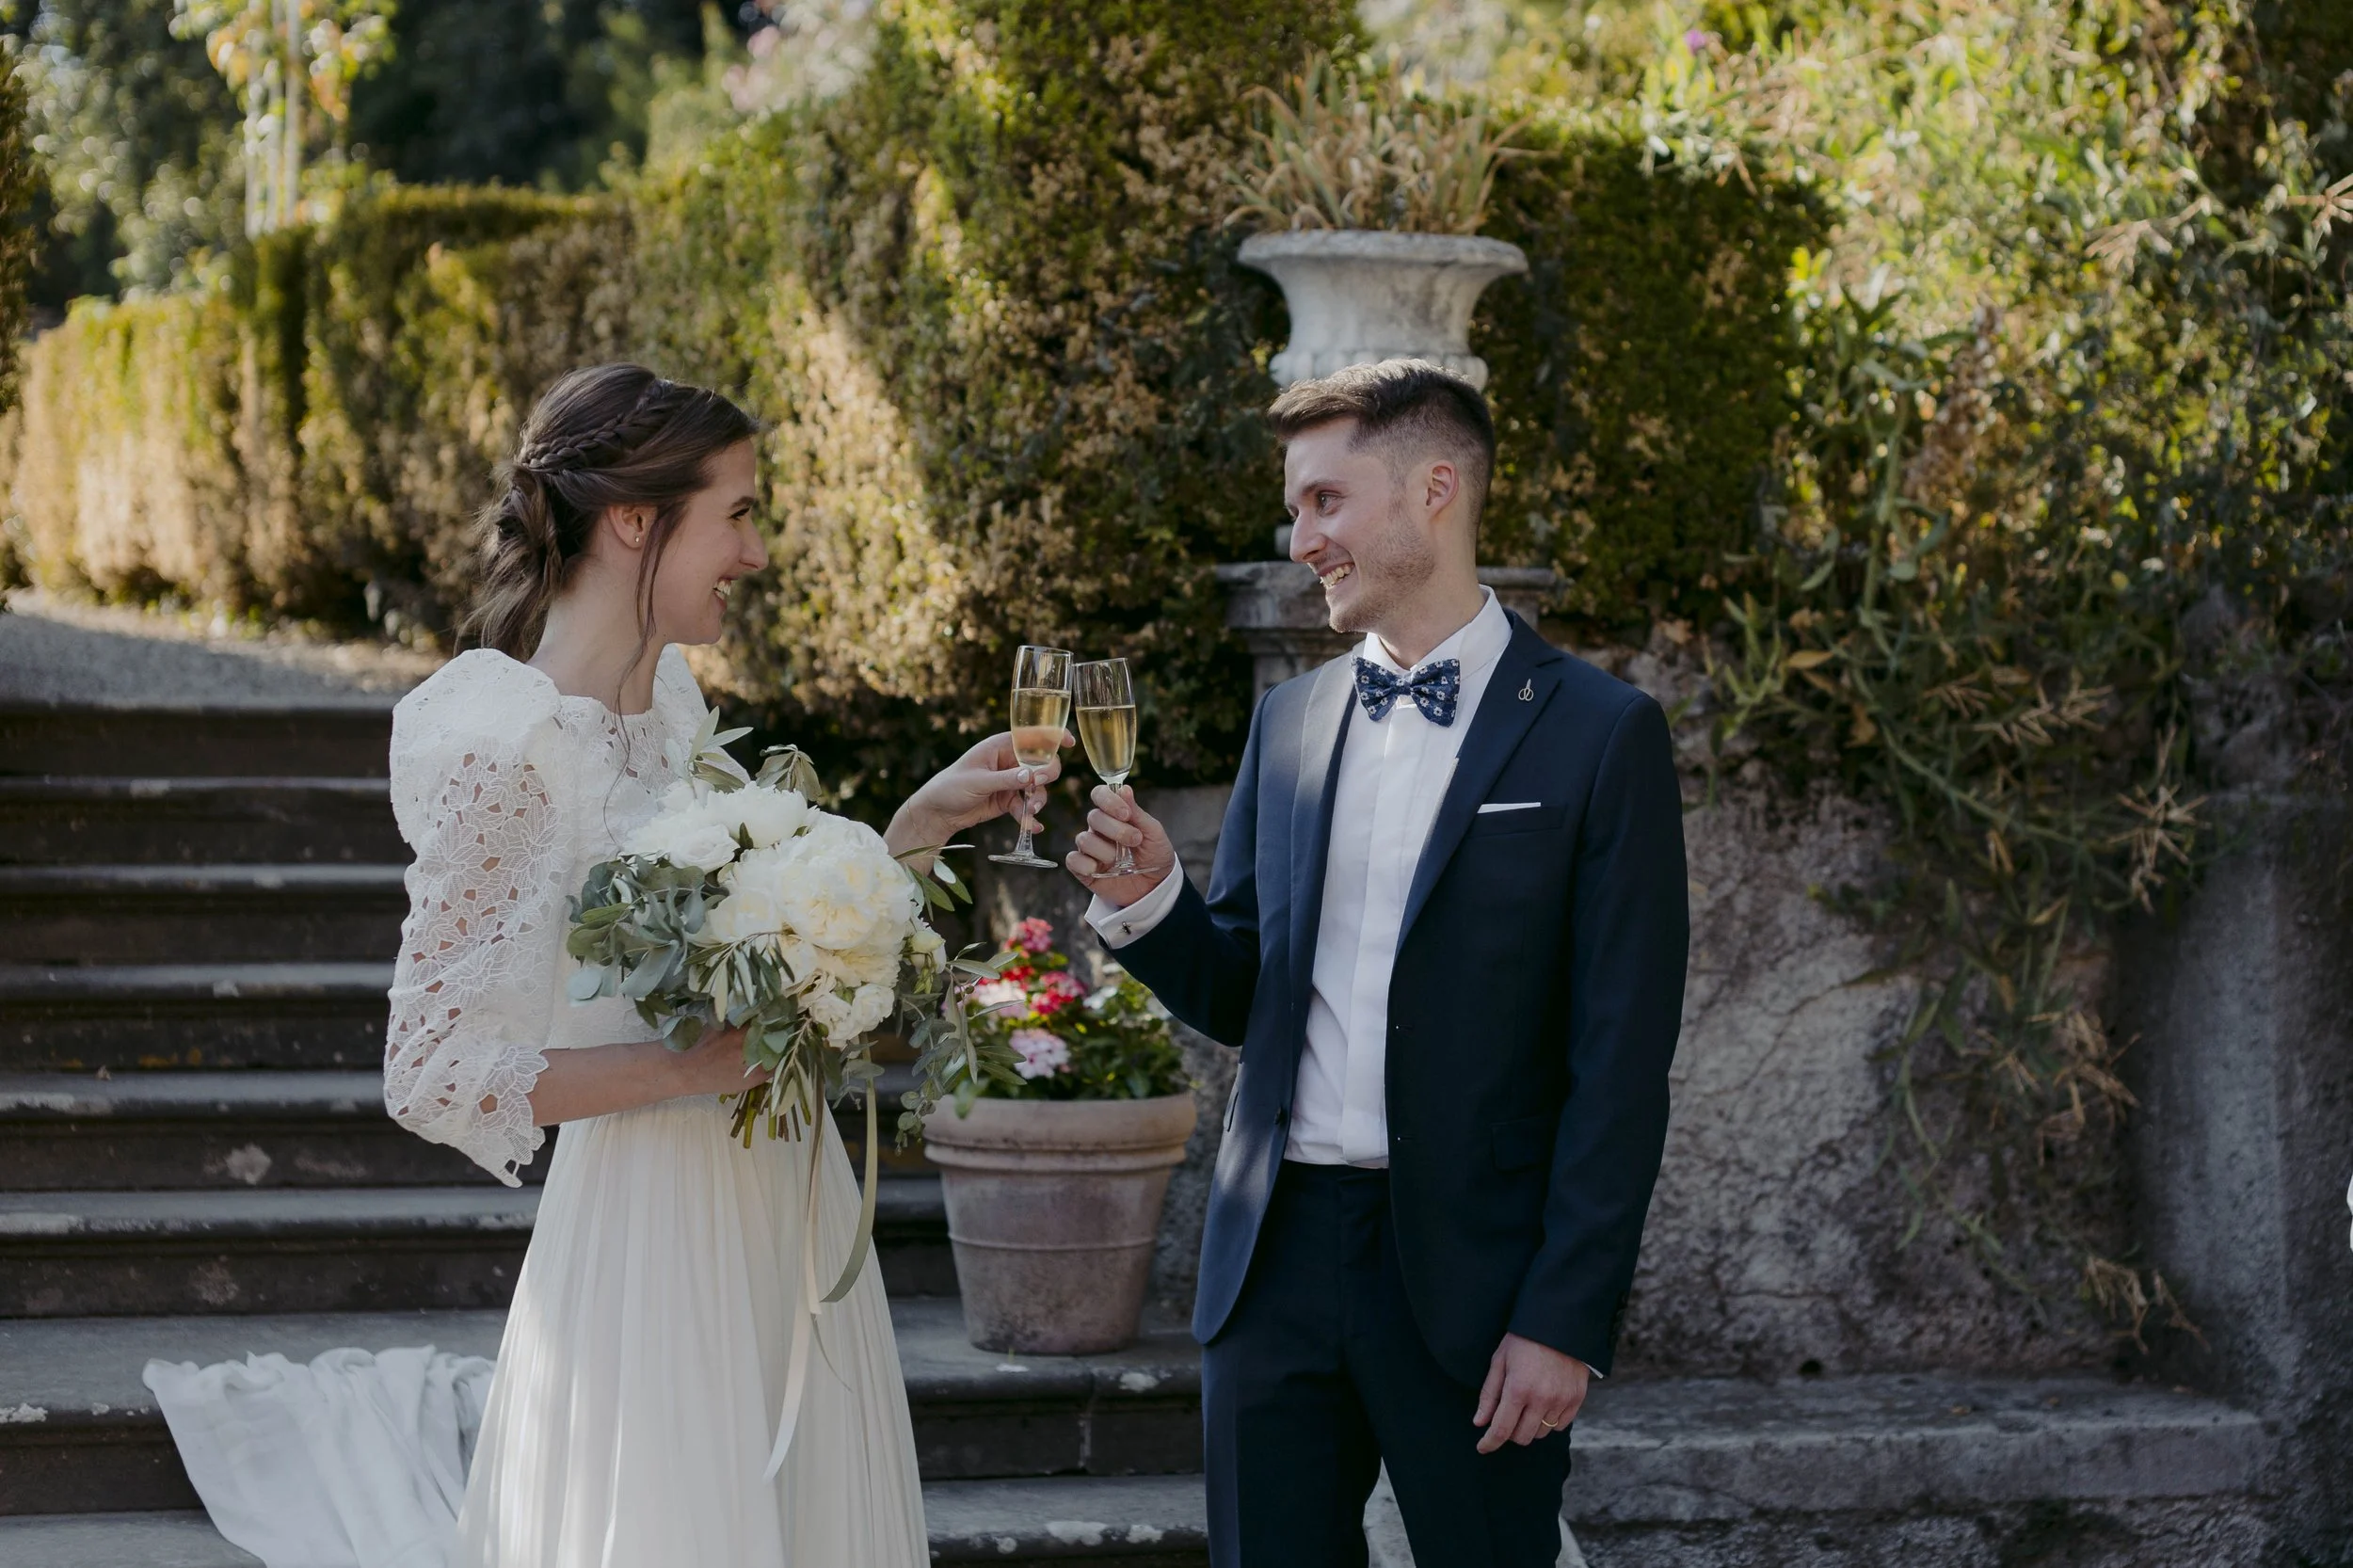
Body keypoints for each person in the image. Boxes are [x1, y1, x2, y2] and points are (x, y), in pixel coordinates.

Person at [152, 363, 1061, 1568]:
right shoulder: (506, 741)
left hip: (782, 1200)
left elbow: (753, 951)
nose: (754, 552)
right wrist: (695, 1069)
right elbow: (432, 1071)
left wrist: (918, 825)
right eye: (736, 513)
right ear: (634, 519)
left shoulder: (671, 701)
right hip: (651, 1234)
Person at [1066, 360, 1689, 1567]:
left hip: (1475, 1280)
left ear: (1434, 490)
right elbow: (1245, 991)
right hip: (1273, 1263)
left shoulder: (1603, 734)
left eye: (1326, 501)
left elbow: (1620, 1061)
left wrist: (1564, 1316)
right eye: (1296, 508)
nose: (1302, 539)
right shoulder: (1289, 720)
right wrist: (1150, 904)